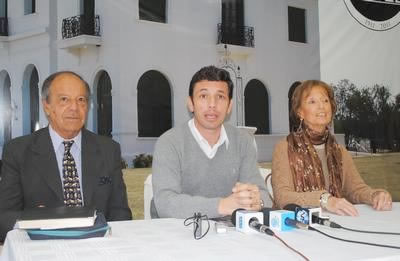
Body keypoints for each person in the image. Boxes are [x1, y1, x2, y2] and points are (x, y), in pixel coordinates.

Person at [0, 71, 132, 242]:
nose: (74, 108)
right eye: (64, 99)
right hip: (42, 246)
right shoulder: (18, 151)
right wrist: (36, 222)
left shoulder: (109, 149)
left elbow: (120, 212)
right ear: (46, 106)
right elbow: (4, 215)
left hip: (98, 246)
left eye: (81, 100)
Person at [152, 65, 268, 218]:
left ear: (229, 106)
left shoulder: (243, 141)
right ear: (191, 103)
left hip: (230, 234)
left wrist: (255, 201)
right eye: (203, 96)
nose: (212, 104)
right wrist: (223, 205)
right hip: (179, 233)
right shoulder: (169, 142)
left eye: (220, 97)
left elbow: (264, 197)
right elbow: (165, 204)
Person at [272, 80, 392, 216]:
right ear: (300, 112)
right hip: (294, 226)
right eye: (312, 102)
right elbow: (282, 196)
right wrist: (324, 199)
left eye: (325, 100)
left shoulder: (339, 151)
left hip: (334, 222)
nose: (321, 107)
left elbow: (355, 190)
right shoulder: (285, 147)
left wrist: (375, 195)